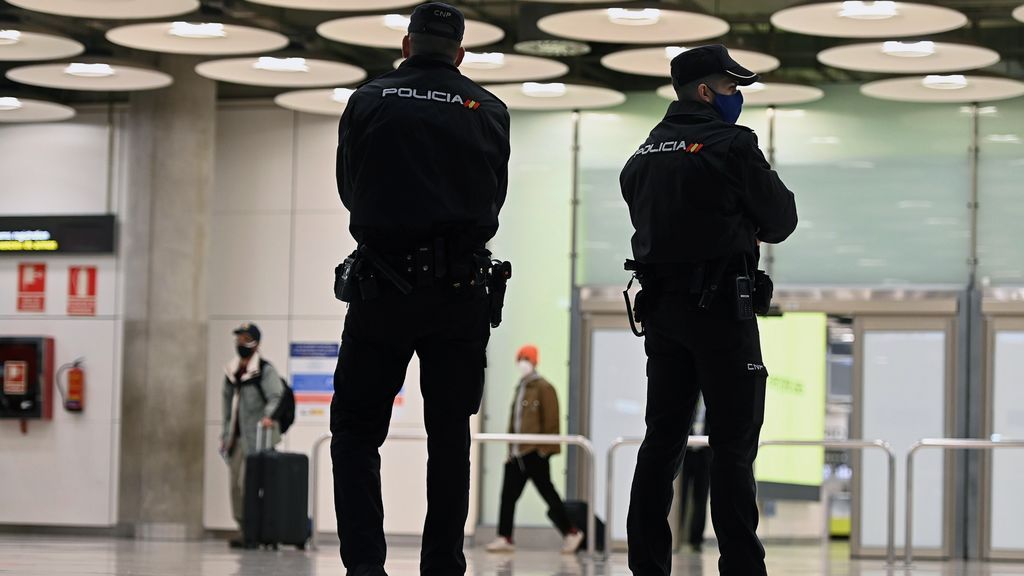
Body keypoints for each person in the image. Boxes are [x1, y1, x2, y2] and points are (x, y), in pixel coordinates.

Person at [329, 3, 511, 576]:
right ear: (460, 54)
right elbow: (493, 198)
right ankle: (441, 567)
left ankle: (365, 567)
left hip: (381, 288)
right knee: (450, 436)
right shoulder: (488, 109)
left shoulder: (367, 101)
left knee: (356, 433)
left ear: (406, 46)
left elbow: (349, 188)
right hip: (459, 292)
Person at [620, 44, 797, 576]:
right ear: (705, 91)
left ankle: (647, 565)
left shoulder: (642, 156)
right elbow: (780, 219)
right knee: (733, 446)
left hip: (663, 317)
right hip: (723, 313)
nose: (736, 97)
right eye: (730, 87)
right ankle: (741, 566)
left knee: (662, 441)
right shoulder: (732, 144)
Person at [486, 345, 584, 554]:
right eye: (520, 358)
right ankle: (504, 537)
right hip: (517, 453)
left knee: (547, 493)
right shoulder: (520, 387)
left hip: (534, 452)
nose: (522, 362)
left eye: (526, 358)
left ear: (534, 361)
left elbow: (551, 421)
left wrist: (544, 450)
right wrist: (510, 450)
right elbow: (516, 422)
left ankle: (572, 533)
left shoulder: (544, 387)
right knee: (508, 496)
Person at [219, 322, 284, 549]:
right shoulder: (232, 371)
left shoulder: (265, 370)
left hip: (257, 439)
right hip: (236, 440)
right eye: (238, 338)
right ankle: (243, 529)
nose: (240, 343)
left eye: (246, 339)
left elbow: (277, 396)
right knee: (235, 487)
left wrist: (267, 417)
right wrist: (224, 434)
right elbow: (226, 407)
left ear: (256, 343)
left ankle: (256, 531)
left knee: (248, 485)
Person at [678, 397, 711, 554]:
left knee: (701, 497)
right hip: (685, 453)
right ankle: (676, 535)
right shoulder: (690, 393)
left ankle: (696, 539)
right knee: (680, 496)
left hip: (705, 454)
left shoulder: (713, 396)